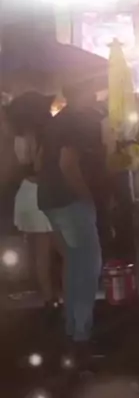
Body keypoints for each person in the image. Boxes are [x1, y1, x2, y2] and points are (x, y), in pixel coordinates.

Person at [37, 80, 106, 345]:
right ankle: (82, 331)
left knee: (74, 263)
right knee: (88, 264)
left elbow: (39, 161)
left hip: (49, 198)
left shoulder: (56, 121)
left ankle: (72, 325)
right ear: (84, 93)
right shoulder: (75, 122)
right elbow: (68, 164)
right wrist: (86, 197)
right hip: (70, 200)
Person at [6, 92, 63, 308]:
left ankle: (49, 297)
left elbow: (17, 166)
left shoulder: (19, 138)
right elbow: (41, 168)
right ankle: (62, 295)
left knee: (41, 252)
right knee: (63, 248)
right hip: (43, 193)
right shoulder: (44, 136)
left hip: (26, 192)